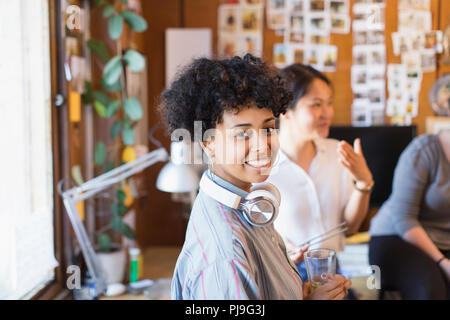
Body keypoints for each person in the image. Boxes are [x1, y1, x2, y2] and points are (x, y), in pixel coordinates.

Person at [159, 54, 351, 300]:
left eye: (268, 129)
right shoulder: (226, 254)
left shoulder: (249, 205)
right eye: (243, 134)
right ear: (208, 143)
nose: (263, 146)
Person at [266, 64, 374, 282]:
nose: (328, 113)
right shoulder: (263, 164)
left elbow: (350, 227)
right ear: (285, 109)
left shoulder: (337, 151)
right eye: (316, 104)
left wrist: (364, 183)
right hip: (283, 272)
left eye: (329, 103)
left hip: (332, 268)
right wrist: (278, 246)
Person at [369, 130, 450, 299]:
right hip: (397, 236)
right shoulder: (425, 150)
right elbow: (403, 217)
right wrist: (443, 263)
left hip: (444, 240)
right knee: (430, 291)